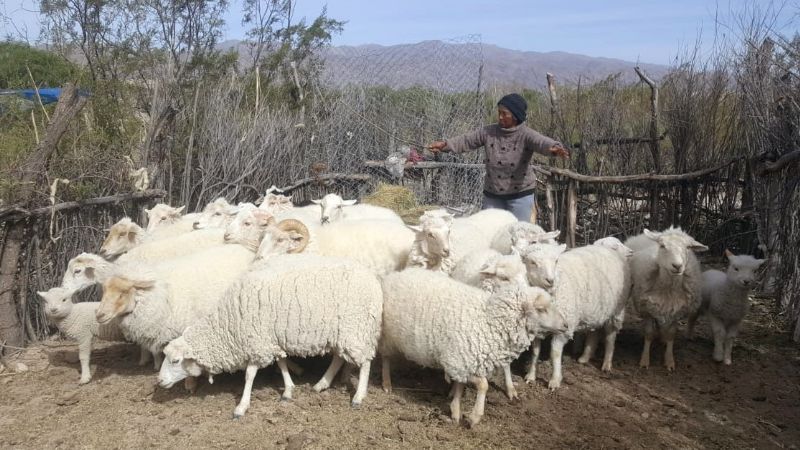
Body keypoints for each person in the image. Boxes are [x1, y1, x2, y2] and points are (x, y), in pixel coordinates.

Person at [427, 93, 570, 222]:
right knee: (490, 233)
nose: (500, 117)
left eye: (504, 113)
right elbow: (466, 140)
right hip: (492, 194)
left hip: (520, 194)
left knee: (520, 235)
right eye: (499, 113)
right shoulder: (488, 132)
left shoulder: (526, 134)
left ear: (516, 115)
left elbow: (541, 142)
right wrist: (445, 145)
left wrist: (554, 147)